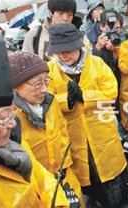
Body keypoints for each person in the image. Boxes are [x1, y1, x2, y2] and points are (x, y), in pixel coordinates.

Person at [46, 23, 128, 207]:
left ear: (78, 46)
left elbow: (111, 91)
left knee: (113, 168)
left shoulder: (96, 63)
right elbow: (48, 100)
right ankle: (98, 199)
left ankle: (125, 195)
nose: (63, 54)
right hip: (74, 134)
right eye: (59, 51)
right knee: (89, 173)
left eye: (68, 49)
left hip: (101, 130)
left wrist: (84, 96)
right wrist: (67, 100)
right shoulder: (50, 71)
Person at [8, 51, 84, 207]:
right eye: (37, 83)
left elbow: (63, 133)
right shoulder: (9, 120)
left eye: (46, 81)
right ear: (15, 87)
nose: (44, 89)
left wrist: (65, 168)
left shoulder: (51, 101)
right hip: (39, 189)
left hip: (65, 176)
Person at [0, 106, 69, 207]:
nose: (13, 124)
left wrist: (58, 202)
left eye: (11, 114)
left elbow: (39, 175)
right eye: (3, 121)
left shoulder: (14, 143)